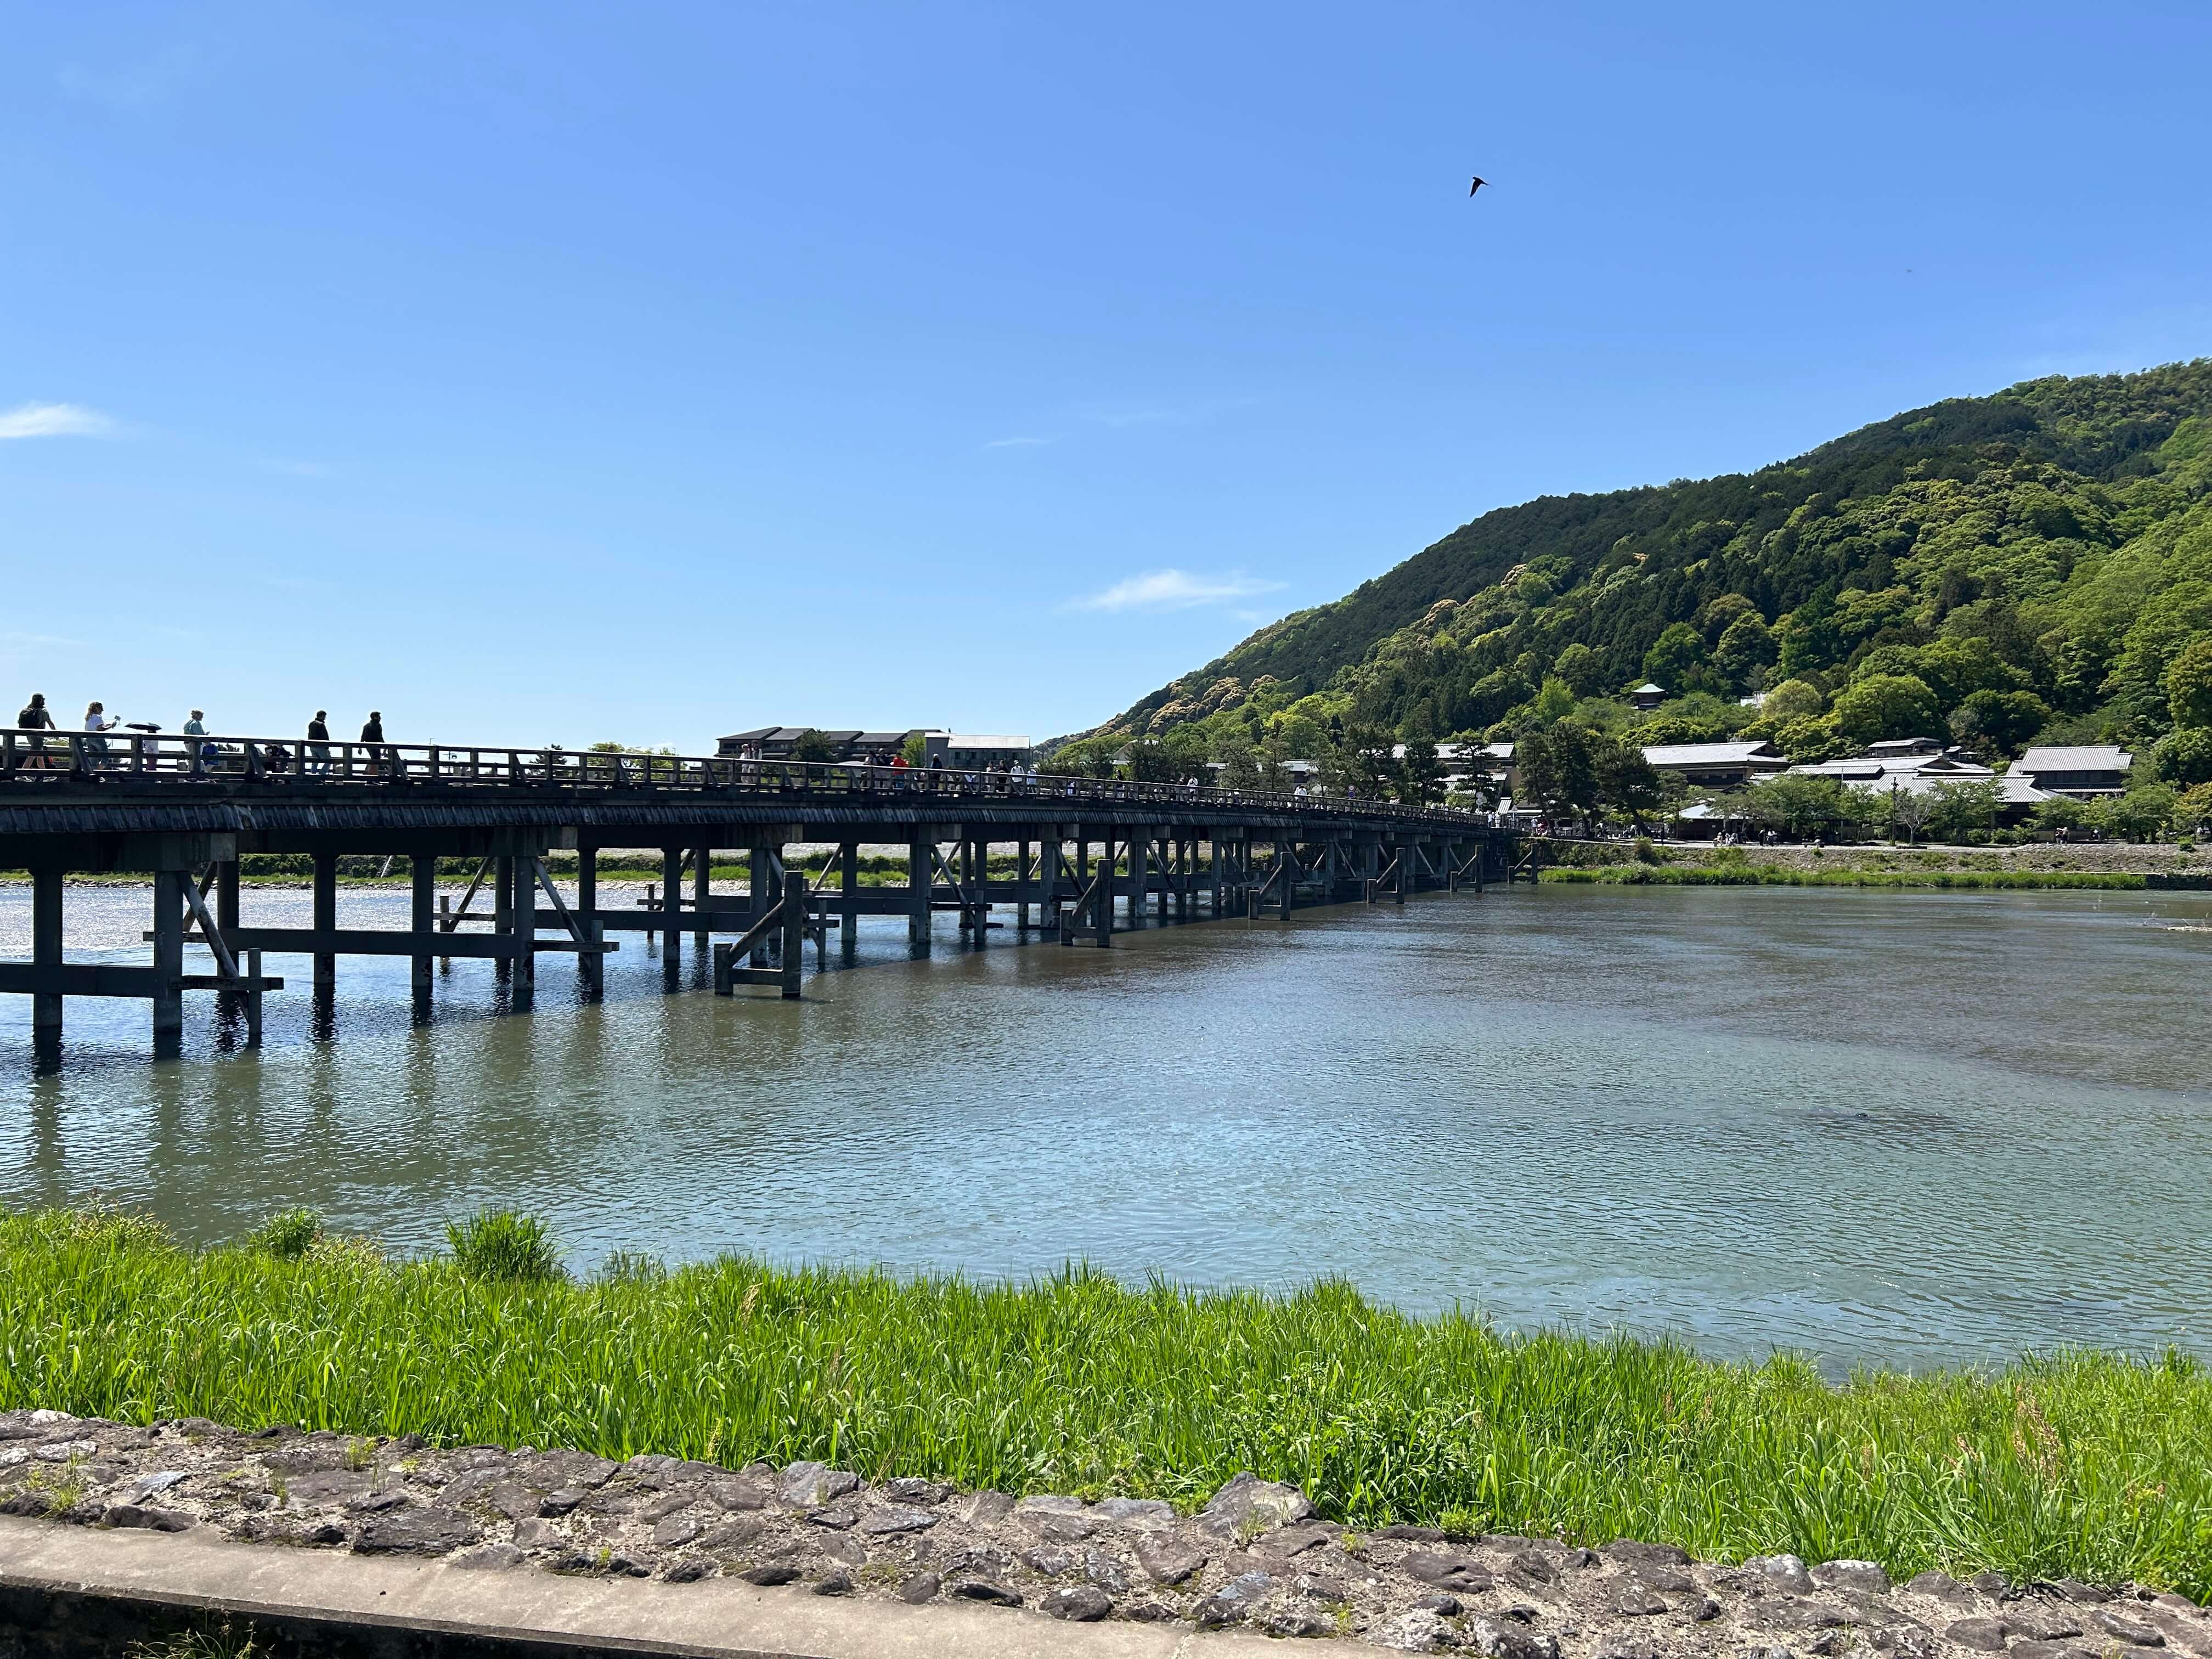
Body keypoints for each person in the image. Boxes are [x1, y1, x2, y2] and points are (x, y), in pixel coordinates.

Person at [14, 692, 57, 769]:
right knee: (32, 757)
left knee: (40, 758)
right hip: (38, 737)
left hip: (30, 736)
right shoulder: (43, 711)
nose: (44, 701)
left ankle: (44, 774)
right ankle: (22, 773)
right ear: (41, 701)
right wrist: (56, 734)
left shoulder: (28, 710)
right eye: (43, 699)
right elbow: (50, 723)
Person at [82, 701, 119, 770]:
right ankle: (98, 771)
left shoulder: (89, 717)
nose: (102, 710)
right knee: (106, 756)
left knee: (93, 759)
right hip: (97, 738)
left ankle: (93, 772)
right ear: (97, 708)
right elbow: (100, 729)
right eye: (101, 708)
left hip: (89, 738)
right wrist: (111, 726)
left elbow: (100, 726)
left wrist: (110, 725)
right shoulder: (98, 717)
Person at [360, 710, 386, 776]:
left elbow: (363, 738)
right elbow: (380, 737)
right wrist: (385, 745)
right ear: (375, 717)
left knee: (374, 760)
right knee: (375, 760)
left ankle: (370, 775)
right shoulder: (377, 726)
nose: (380, 718)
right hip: (375, 746)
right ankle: (372, 777)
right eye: (379, 717)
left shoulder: (367, 726)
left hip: (370, 746)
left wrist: (360, 748)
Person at [307, 710, 331, 776]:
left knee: (315, 761)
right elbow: (325, 736)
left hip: (312, 746)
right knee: (329, 760)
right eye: (325, 717)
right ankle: (322, 774)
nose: (325, 718)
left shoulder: (311, 724)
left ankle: (313, 774)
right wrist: (327, 746)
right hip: (320, 746)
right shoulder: (321, 724)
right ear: (322, 716)